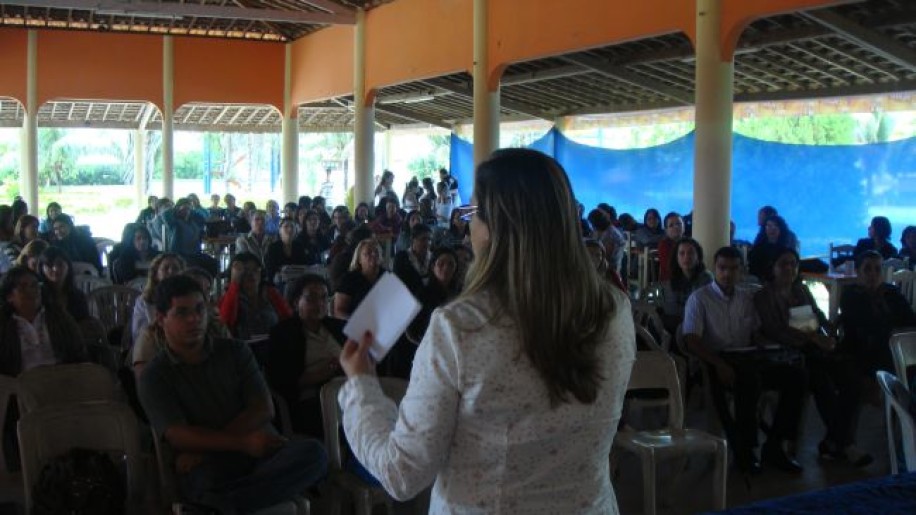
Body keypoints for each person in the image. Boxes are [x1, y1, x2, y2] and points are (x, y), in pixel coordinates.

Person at [337, 148, 634, 512]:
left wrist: (361, 386)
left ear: (498, 226)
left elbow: (402, 473)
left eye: (475, 213)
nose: (469, 229)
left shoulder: (462, 328)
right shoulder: (614, 313)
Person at [137, 275, 327, 513]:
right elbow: (178, 436)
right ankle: (226, 502)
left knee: (315, 454)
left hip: (253, 453)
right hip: (213, 466)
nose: (194, 319)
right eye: (182, 313)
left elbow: (264, 408)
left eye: (199, 309)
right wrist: (241, 443)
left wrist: (220, 447)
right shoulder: (155, 375)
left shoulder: (235, 351)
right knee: (203, 483)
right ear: (161, 318)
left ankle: (215, 508)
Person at [683, 246, 807, 474]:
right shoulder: (699, 299)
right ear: (714, 268)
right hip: (716, 359)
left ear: (741, 271)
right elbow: (692, 340)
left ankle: (775, 444)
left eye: (733, 269)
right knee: (749, 382)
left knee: (796, 377)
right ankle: (747, 450)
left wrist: (767, 347)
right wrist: (719, 364)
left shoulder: (747, 297)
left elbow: (756, 331)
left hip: (748, 356)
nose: (727, 274)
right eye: (722, 268)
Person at [755, 246, 872, 467]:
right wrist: (812, 339)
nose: (789, 268)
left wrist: (831, 328)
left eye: (793, 263)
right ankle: (845, 444)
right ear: (773, 268)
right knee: (821, 381)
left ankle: (832, 440)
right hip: (789, 353)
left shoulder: (801, 291)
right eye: (783, 264)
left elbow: (816, 315)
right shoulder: (764, 296)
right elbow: (775, 330)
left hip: (814, 349)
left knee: (851, 378)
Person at [266, 274, 345, 438]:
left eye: (324, 297)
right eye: (311, 298)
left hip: (347, 390)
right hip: (311, 400)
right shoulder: (283, 334)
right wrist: (324, 374)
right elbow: (280, 381)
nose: (320, 303)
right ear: (296, 302)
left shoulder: (338, 328)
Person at [839, 250, 916, 378]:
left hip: (896, 346)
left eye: (877, 269)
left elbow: (910, 319)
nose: (873, 274)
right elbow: (867, 327)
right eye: (867, 269)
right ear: (858, 272)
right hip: (864, 350)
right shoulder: (850, 295)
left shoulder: (892, 292)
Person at [0, 266, 86, 376]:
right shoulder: (4, 324)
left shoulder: (58, 316)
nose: (31, 291)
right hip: (20, 387)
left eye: (34, 285)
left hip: (62, 380)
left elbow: (78, 350)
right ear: (9, 297)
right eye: (23, 287)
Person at [218, 253, 292, 340]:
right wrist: (234, 284)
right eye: (245, 271)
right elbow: (224, 325)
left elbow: (288, 320)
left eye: (255, 269)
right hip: (244, 350)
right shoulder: (229, 297)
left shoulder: (270, 293)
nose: (251, 274)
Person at [659, 237, 712, 334]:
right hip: (675, 325)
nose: (686, 257)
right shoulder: (671, 278)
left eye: (691, 253)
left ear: (698, 257)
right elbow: (670, 310)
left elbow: (701, 310)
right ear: (677, 257)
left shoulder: (706, 278)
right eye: (682, 253)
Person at [131, 253, 186, 344]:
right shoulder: (144, 301)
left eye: (176, 268)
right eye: (166, 268)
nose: (171, 272)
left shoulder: (188, 298)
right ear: (156, 274)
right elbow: (138, 335)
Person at [334, 238, 384, 319]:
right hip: (356, 325)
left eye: (377, 252)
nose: (374, 254)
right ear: (359, 259)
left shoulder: (387, 276)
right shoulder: (349, 279)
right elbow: (339, 311)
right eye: (368, 253)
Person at [38, 247, 91, 323]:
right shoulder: (38, 295)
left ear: (68, 266)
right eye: (49, 265)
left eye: (60, 264)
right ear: (42, 269)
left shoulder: (77, 296)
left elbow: (84, 322)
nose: (55, 269)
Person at [748, 215, 797, 281]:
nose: (772, 229)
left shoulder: (787, 251)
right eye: (769, 226)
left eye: (776, 225)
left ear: (781, 229)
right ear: (764, 228)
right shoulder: (758, 249)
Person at [393, 224, 432, 298]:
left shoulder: (433, 258)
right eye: (423, 239)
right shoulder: (401, 258)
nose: (427, 243)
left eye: (429, 239)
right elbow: (398, 284)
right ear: (413, 239)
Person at [264, 217, 308, 284]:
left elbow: (305, 266)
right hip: (278, 283)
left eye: (292, 227)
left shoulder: (299, 246)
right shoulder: (273, 247)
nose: (290, 229)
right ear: (280, 230)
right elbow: (270, 271)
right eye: (286, 226)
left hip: (298, 281)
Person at [657, 212, 684, 281]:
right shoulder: (664, 245)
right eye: (671, 225)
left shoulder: (689, 242)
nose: (676, 227)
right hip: (671, 282)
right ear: (666, 230)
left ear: (684, 226)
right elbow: (670, 268)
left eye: (679, 224)